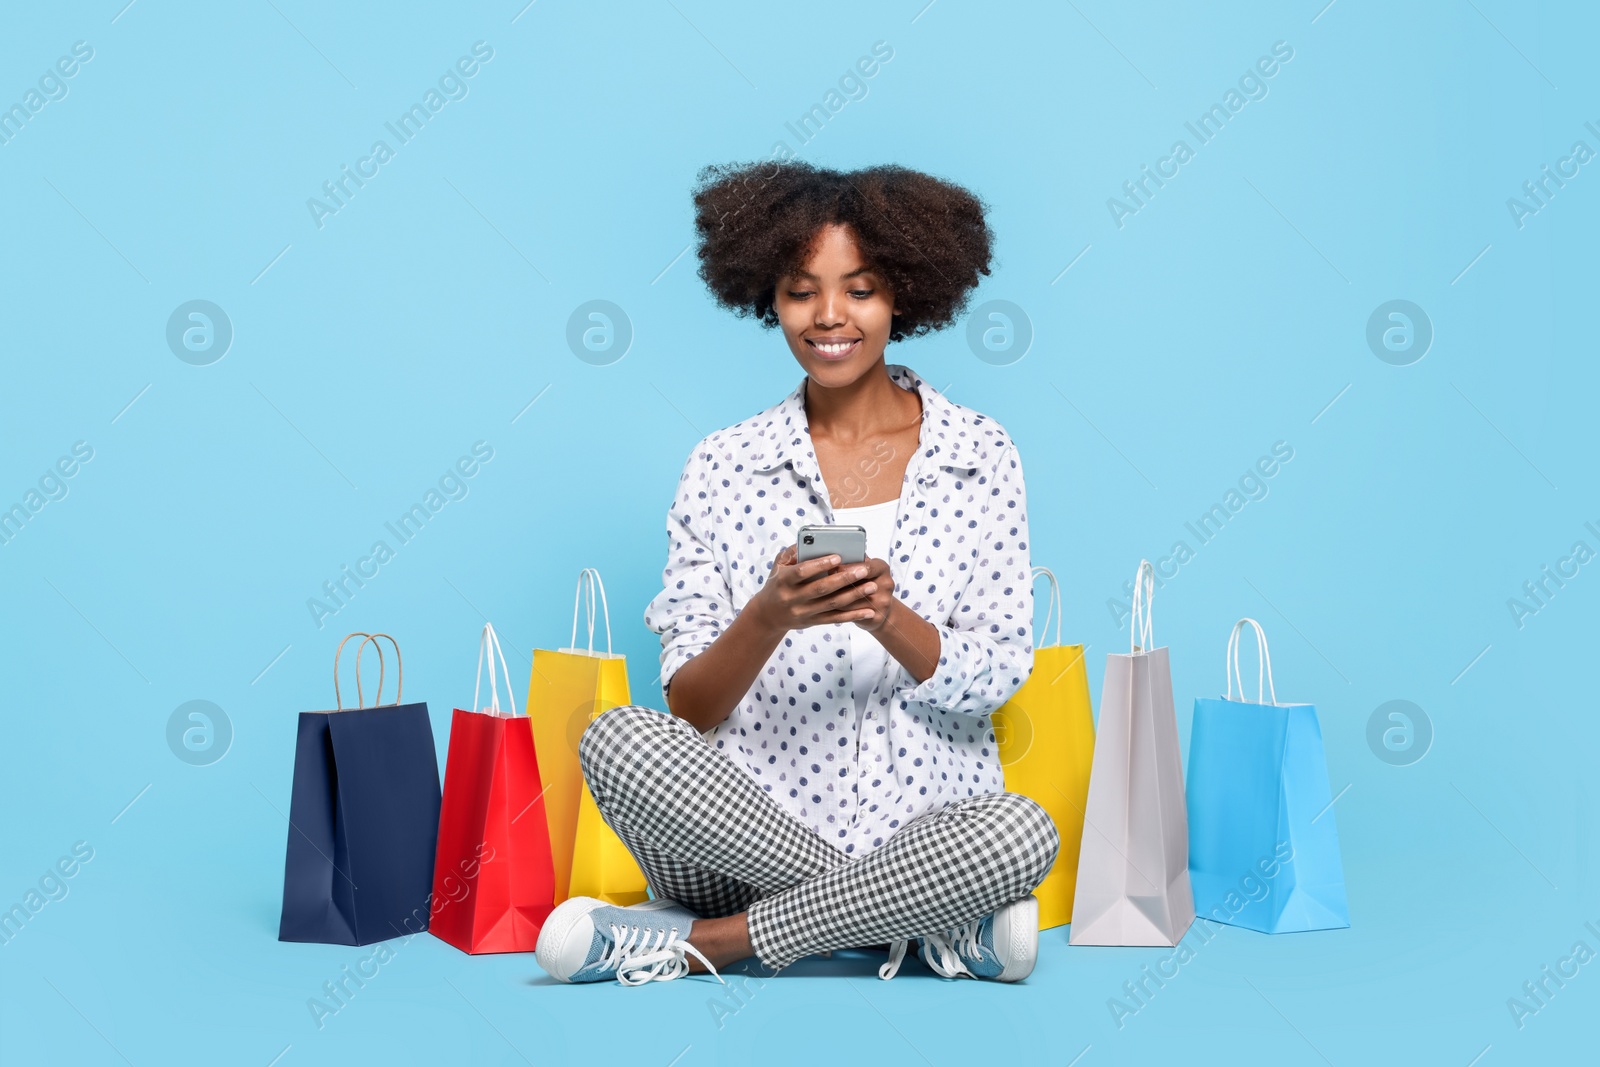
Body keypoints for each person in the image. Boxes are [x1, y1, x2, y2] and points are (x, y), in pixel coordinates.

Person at [534, 161, 1058, 987]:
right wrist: (769, 613)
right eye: (800, 290)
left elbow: (995, 674)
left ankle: (710, 943)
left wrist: (888, 615)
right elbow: (690, 704)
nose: (829, 317)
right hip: (736, 843)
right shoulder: (722, 464)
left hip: (922, 834)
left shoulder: (981, 455)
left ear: (904, 297)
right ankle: (919, 927)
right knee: (618, 737)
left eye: (861, 288)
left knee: (1020, 832)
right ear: (767, 298)